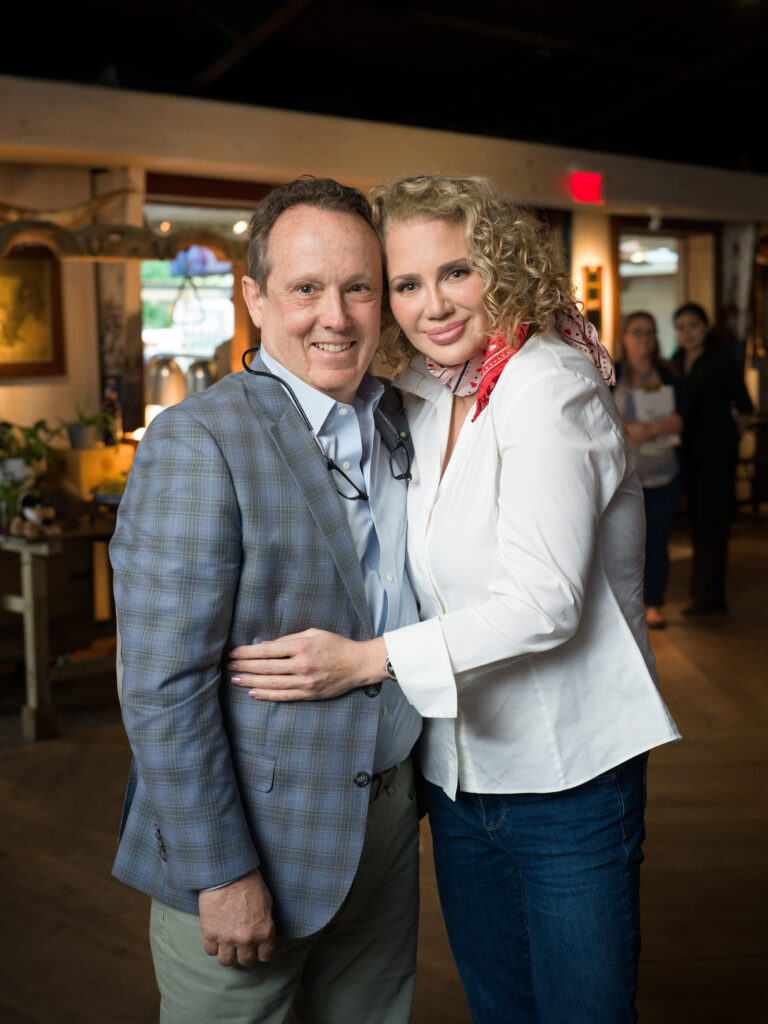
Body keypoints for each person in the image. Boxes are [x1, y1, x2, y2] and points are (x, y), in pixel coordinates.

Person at [228, 175, 681, 1024]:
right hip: (461, 775)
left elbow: (545, 601)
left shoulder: (548, 383)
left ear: (498, 269)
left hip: (569, 777)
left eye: (457, 272)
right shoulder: (436, 393)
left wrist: (366, 661)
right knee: (500, 1008)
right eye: (404, 283)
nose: (432, 303)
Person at [110, 177, 423, 1024]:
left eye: (359, 287)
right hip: (254, 846)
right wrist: (221, 871)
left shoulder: (400, 418)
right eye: (306, 289)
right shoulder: (196, 440)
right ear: (254, 298)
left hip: (384, 830)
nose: (337, 316)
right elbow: (161, 687)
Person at [671, 302, 753, 614]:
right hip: (687, 453)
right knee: (698, 523)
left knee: (714, 524)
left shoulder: (720, 359)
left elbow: (745, 407)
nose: (687, 332)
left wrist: (728, 440)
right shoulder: (677, 361)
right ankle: (701, 590)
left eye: (693, 325)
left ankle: (711, 598)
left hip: (717, 454)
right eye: (681, 327)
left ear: (705, 327)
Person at [613, 311, 687, 628]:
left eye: (651, 332)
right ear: (624, 337)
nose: (645, 338)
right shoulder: (611, 373)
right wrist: (628, 430)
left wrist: (652, 431)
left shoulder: (669, 373)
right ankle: (623, 608)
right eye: (638, 332)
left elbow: (685, 417)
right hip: (622, 475)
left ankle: (654, 603)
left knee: (656, 540)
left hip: (663, 472)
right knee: (623, 542)